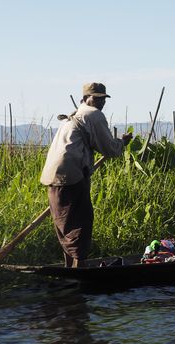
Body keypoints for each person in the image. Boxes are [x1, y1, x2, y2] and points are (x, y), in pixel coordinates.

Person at [40, 82, 132, 268]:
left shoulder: (73, 116)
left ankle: (70, 266)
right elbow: (109, 149)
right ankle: (79, 267)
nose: (100, 102)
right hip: (72, 173)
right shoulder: (93, 115)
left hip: (54, 175)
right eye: (96, 98)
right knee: (81, 220)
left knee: (64, 222)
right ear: (85, 99)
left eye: (103, 99)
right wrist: (122, 143)